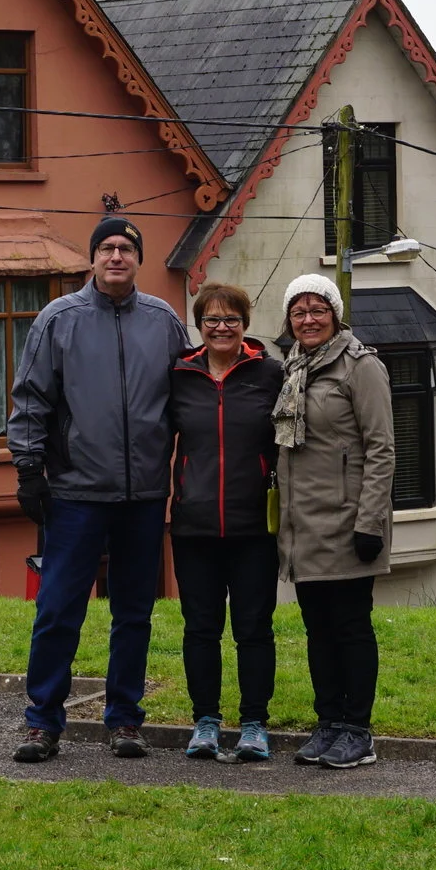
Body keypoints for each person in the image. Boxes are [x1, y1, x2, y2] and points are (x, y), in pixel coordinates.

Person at [6, 215, 189, 762]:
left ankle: (125, 720)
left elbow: (188, 401)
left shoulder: (164, 322)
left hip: (144, 495)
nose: (116, 257)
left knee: (133, 611)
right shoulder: (57, 320)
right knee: (59, 609)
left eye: (126, 249)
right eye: (106, 248)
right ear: (92, 259)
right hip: (75, 492)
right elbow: (30, 399)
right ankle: (42, 722)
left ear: (138, 260)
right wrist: (28, 469)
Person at [272, 274, 396, 770]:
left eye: (317, 309)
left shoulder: (360, 367)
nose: (308, 319)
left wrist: (370, 522)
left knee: (349, 628)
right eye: (298, 311)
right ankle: (328, 723)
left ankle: (357, 730)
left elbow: (381, 448)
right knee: (317, 629)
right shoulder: (293, 368)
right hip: (302, 525)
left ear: (335, 314)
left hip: (348, 523)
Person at [167, 281, 285, 764]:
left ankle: (254, 724)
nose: (221, 327)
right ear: (199, 325)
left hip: (253, 526)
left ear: (245, 325)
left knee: (254, 628)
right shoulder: (178, 376)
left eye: (231, 319)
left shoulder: (271, 374)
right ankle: (206, 722)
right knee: (200, 628)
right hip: (193, 526)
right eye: (212, 319)